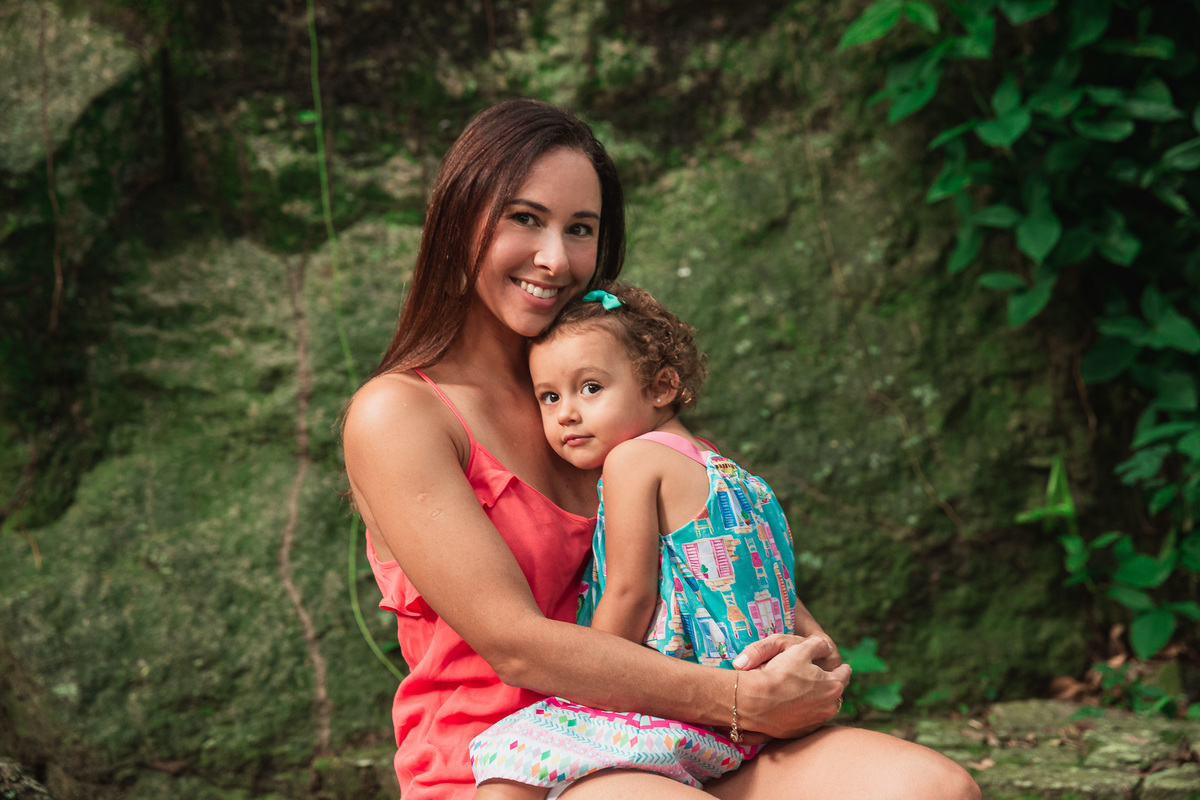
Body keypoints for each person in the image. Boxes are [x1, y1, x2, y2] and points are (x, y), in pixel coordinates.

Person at [341, 97, 981, 800]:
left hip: (673, 733)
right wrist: (740, 700)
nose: (555, 259)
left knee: (931, 790)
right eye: (525, 218)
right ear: (460, 218)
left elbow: (714, 540)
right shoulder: (399, 414)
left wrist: (802, 653)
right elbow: (516, 644)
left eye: (579, 229)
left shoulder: (597, 393)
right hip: (507, 765)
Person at [468, 282, 838, 797]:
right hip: (752, 707)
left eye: (590, 388)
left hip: (684, 700)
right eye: (549, 396)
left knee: (511, 759)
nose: (566, 412)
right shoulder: (728, 472)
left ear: (662, 387)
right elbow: (775, 582)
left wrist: (590, 687)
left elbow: (629, 592)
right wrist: (823, 656)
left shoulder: (633, 461)